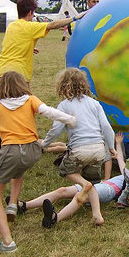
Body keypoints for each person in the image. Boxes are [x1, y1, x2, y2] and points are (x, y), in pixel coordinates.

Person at [0, 71, 76, 253]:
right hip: (33, 151)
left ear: (1, 88)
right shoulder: (31, 100)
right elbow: (49, 112)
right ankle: (12, 205)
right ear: (22, 85)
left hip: (11, 151)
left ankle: (8, 243)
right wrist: (70, 119)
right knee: (18, 171)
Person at [41, 68, 116, 226]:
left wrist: (45, 144)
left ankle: (83, 183)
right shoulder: (95, 104)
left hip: (79, 150)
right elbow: (106, 128)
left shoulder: (64, 106)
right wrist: (111, 147)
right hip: (98, 150)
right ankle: (97, 215)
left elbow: (56, 129)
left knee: (66, 170)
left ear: (63, 85)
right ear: (84, 84)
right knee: (93, 183)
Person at [33, 133, 126, 228]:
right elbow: (120, 159)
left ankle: (55, 218)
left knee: (82, 195)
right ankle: (24, 206)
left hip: (110, 190)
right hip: (101, 184)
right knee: (62, 190)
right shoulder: (127, 171)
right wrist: (118, 143)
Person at [0, 0, 85, 90]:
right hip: (17, 76)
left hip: (0, 72)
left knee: (3, 104)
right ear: (30, 12)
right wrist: (74, 18)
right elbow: (53, 25)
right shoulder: (30, 27)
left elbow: (13, 43)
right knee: (23, 103)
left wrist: (29, 48)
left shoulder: (11, 26)